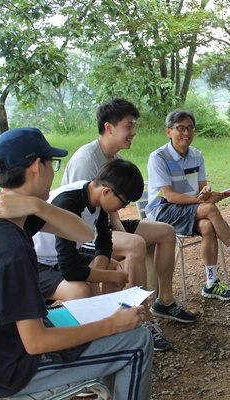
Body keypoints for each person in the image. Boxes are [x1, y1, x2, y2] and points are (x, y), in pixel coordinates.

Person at [0, 127, 153, 399]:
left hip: (1, 349)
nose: (54, 172)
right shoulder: (8, 247)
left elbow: (82, 233)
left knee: (107, 323)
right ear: (36, 166)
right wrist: (113, 324)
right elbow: (36, 343)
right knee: (137, 340)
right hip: (16, 369)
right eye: (52, 164)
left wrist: (38, 206)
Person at [62, 99, 196, 350]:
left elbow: (109, 211)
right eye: (129, 126)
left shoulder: (114, 155)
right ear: (109, 127)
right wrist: (121, 238)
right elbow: (85, 215)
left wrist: (120, 231)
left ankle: (164, 301)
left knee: (165, 232)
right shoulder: (85, 160)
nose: (133, 132)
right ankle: (139, 316)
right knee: (134, 244)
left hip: (106, 224)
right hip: (82, 233)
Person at [33, 159, 173, 351]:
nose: (123, 208)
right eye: (124, 203)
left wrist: (101, 267)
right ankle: (92, 342)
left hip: (61, 256)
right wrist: (112, 276)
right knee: (81, 290)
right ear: (107, 192)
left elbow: (104, 243)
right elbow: (69, 270)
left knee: (112, 265)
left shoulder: (96, 198)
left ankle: (112, 322)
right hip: (37, 263)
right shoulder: (68, 203)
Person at [146, 109, 230, 300]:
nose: (186, 133)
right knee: (210, 209)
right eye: (180, 128)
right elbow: (170, 196)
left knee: (207, 226)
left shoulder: (196, 155)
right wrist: (202, 200)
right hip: (162, 212)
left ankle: (211, 283)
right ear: (168, 131)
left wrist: (207, 192)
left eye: (190, 128)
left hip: (189, 209)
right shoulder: (158, 157)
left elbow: (202, 188)